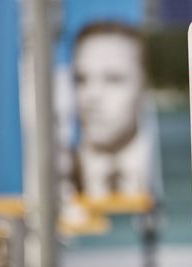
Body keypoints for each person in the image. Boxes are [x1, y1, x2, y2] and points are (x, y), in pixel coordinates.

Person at [61, 22, 162, 267]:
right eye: (81, 79)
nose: (91, 97)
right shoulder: (58, 174)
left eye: (113, 79)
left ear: (142, 84)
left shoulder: (159, 168)